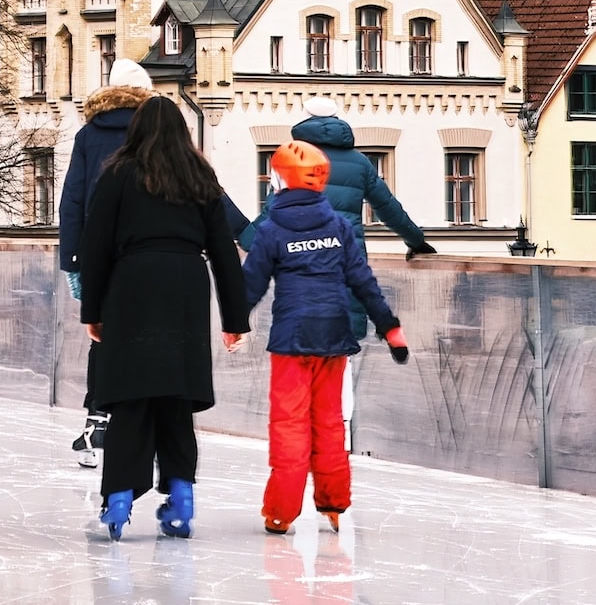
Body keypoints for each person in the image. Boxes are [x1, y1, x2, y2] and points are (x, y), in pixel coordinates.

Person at [80, 92, 251, 540]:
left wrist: (93, 310)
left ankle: (118, 499)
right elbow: (223, 253)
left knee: (131, 399)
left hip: (131, 286)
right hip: (185, 289)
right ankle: (181, 495)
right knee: (176, 398)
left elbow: (95, 247)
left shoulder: (117, 174)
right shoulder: (200, 177)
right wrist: (235, 318)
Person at [241, 138, 409, 535]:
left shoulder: (272, 229)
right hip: (333, 335)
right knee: (330, 423)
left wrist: (235, 323)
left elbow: (251, 285)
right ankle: (333, 504)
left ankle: (281, 512)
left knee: (290, 425)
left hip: (292, 339)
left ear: (280, 180)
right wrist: (389, 327)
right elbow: (362, 280)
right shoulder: (337, 225)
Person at [278, 112, 435, 442]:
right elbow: (388, 208)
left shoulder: (292, 158)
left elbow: (270, 216)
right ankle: (340, 433)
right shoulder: (360, 163)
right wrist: (416, 241)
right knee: (340, 356)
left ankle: (303, 431)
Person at [59, 60, 159, 463]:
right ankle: (147, 428)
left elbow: (73, 200)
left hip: (99, 253)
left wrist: (73, 261)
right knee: (150, 337)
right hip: (148, 250)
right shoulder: (157, 132)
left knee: (103, 337)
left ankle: (97, 422)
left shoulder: (88, 135)